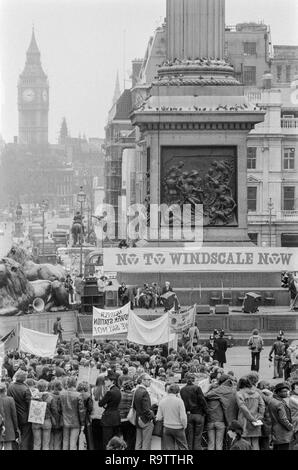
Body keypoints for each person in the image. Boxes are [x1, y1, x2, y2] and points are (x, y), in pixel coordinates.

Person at [205, 374, 238, 450]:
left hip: (210, 421)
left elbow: (206, 395)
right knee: (219, 443)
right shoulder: (228, 392)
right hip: (221, 421)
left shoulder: (214, 395)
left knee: (211, 443)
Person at [156, 383, 188, 450]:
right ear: (177, 392)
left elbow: (159, 417)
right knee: (183, 447)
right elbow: (183, 417)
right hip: (178, 428)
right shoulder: (179, 401)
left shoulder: (162, 401)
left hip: (167, 428)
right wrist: (184, 426)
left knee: (169, 448)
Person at [180, 373, 208, 450]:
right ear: (194, 380)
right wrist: (206, 412)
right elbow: (202, 401)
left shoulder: (182, 390)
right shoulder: (197, 388)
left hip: (189, 414)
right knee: (198, 436)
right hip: (199, 414)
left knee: (189, 436)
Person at [236, 377, 265, 450]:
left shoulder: (239, 394)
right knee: (255, 442)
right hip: (256, 420)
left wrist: (251, 418)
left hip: (244, 421)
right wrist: (260, 415)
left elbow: (243, 408)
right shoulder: (256, 393)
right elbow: (262, 405)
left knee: (246, 443)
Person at [7, 369, 32, 450]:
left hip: (13, 415)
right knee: (25, 436)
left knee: (14, 435)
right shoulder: (25, 389)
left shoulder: (10, 387)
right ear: (24, 378)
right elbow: (30, 404)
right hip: (24, 416)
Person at [31, 379, 59, 451]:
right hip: (47, 421)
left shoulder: (33, 397)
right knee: (46, 444)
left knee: (36, 443)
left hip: (35, 420)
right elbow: (54, 410)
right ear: (46, 387)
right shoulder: (50, 398)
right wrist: (55, 420)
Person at [60, 376, 86, 450]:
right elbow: (81, 411)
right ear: (75, 383)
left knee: (65, 441)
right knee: (73, 443)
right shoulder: (78, 395)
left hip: (65, 421)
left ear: (67, 383)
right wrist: (82, 423)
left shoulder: (62, 394)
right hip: (76, 421)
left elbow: (59, 408)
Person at [98, 371, 121, 450]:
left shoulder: (110, 392)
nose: (105, 381)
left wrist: (103, 398)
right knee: (115, 442)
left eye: (107, 380)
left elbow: (100, 403)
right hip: (116, 417)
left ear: (112, 381)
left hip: (108, 419)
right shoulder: (118, 390)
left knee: (107, 441)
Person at [267, 382, 293, 450]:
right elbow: (283, 419)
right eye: (284, 391)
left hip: (275, 430)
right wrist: (290, 427)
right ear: (278, 392)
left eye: (287, 391)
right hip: (282, 432)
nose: (286, 393)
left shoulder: (272, 401)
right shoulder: (279, 403)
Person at [133, 373, 155, 450]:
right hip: (145, 420)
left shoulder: (136, 390)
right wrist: (152, 417)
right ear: (143, 381)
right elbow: (146, 409)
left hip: (138, 418)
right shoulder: (144, 392)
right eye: (148, 380)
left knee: (138, 442)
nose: (150, 382)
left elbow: (135, 406)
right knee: (146, 443)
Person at [0, 382, 18, 450]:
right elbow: (14, 415)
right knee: (8, 447)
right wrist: (16, 427)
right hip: (8, 426)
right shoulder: (10, 399)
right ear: (5, 390)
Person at [119, 380, 136, 450]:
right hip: (129, 419)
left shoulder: (120, 394)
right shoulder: (133, 395)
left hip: (120, 418)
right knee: (129, 438)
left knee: (122, 436)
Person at [289, 381, 298, 450]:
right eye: (297, 388)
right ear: (293, 389)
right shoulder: (292, 398)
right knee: (294, 441)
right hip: (295, 423)